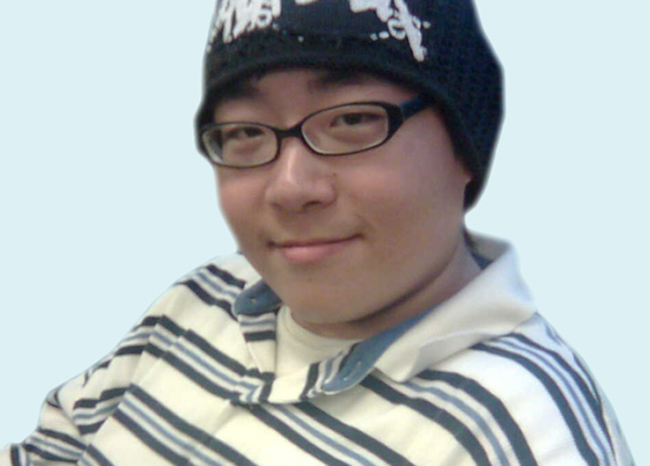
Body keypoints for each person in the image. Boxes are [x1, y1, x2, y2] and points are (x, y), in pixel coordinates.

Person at [0, 0, 635, 464]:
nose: (290, 187)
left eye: (352, 120)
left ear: (465, 149)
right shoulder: (205, 297)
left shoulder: (520, 433)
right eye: (246, 132)